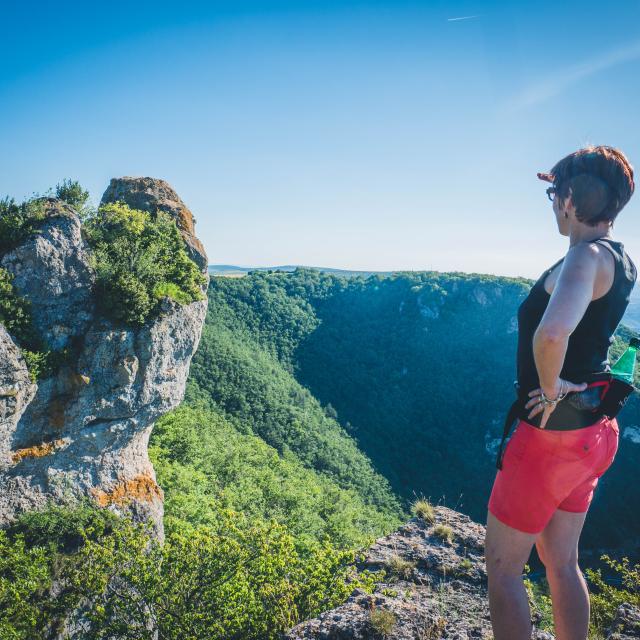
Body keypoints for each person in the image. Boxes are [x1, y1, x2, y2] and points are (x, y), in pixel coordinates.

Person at [484, 145, 637, 640]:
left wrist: (549, 390)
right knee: (561, 560)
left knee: (504, 572)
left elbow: (551, 334)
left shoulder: (583, 257)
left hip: (550, 439)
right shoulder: (620, 258)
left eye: (554, 192)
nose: (552, 202)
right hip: (594, 434)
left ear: (570, 199)